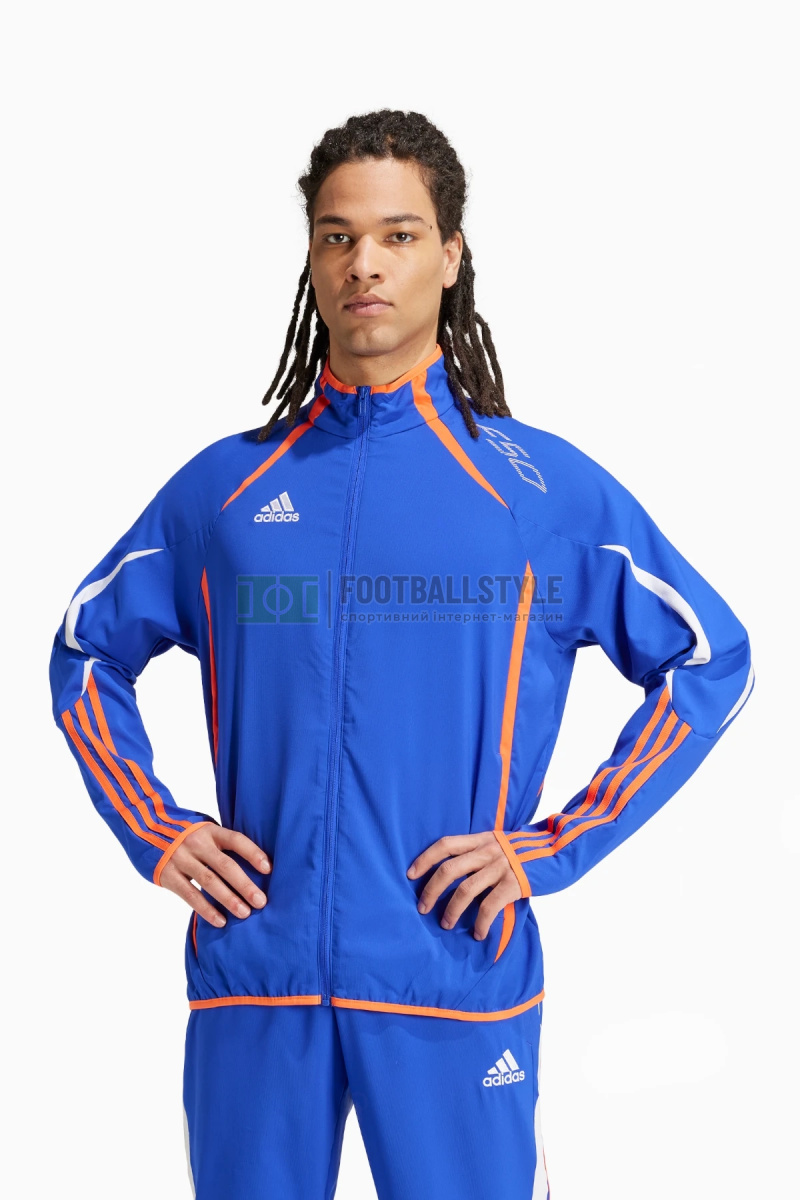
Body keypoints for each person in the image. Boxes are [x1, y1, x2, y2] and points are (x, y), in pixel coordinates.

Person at [48, 109, 754, 1200]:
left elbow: (707, 658)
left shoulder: (534, 491)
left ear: (450, 255)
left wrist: (556, 844)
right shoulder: (225, 491)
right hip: (256, 975)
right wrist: (154, 825)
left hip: (449, 971)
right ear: (311, 257)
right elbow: (87, 649)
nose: (363, 264)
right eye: (336, 237)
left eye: (397, 235)